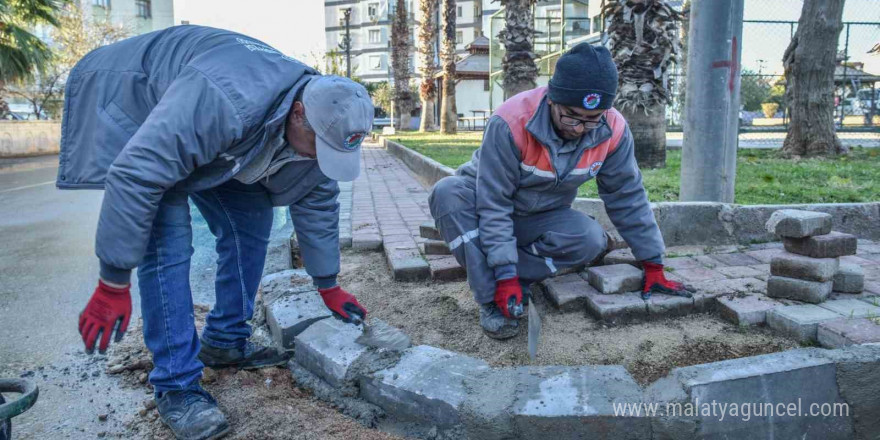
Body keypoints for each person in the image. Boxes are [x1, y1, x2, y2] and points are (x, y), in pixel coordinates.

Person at [59, 26, 372, 440]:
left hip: (216, 128)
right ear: (299, 113)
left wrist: (328, 284)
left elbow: (317, 199)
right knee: (168, 242)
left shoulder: (322, 116)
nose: (318, 158)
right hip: (132, 95)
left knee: (252, 217)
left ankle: (226, 340)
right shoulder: (224, 102)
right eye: (318, 146)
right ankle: (177, 386)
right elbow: (137, 175)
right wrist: (113, 281)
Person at [428, 43, 692, 340]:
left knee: (590, 239)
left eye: (593, 119)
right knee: (446, 192)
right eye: (572, 116)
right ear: (552, 98)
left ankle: (510, 273)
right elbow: (494, 204)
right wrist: (504, 275)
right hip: (479, 205)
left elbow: (627, 196)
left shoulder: (613, 129)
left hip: (540, 215)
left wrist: (653, 263)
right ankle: (491, 297)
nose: (580, 128)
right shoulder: (511, 122)